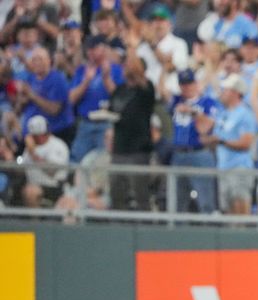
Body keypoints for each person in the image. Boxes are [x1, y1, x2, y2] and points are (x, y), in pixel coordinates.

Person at [201, 73, 257, 215]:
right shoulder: (223, 114)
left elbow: (246, 143)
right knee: (228, 213)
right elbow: (210, 132)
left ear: (235, 93)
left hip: (239, 168)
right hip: (223, 168)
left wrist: (220, 141)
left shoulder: (245, 114)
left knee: (241, 212)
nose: (222, 92)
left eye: (226, 90)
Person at [108, 55, 156, 211]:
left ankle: (145, 227)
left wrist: (136, 69)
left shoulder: (146, 88)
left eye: (129, 65)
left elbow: (146, 91)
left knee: (140, 192)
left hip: (138, 149)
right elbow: (111, 109)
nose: (125, 68)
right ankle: (117, 226)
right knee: (116, 190)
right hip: (119, 148)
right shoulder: (120, 89)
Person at [68, 35, 124, 163]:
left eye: (94, 48)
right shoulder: (81, 70)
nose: (90, 52)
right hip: (85, 122)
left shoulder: (116, 70)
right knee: (77, 161)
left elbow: (120, 98)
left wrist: (106, 78)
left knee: (103, 161)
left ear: (104, 49)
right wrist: (86, 81)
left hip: (107, 124)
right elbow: (71, 99)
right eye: (88, 49)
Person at [170, 69, 219, 213]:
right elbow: (162, 91)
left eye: (189, 83)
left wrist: (192, 112)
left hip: (199, 154)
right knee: (177, 201)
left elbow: (205, 128)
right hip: (179, 154)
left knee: (205, 200)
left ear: (196, 83)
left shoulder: (207, 102)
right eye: (183, 84)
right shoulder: (176, 100)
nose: (187, 87)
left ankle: (210, 232)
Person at [15, 46, 74, 146]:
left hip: (54, 135)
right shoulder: (29, 78)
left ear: (49, 61)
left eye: (40, 59)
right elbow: (18, 110)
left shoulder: (58, 79)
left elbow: (54, 110)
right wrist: (21, 100)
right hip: (30, 134)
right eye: (34, 59)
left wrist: (32, 95)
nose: (37, 63)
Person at [21, 115, 70, 208]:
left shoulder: (58, 145)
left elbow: (52, 171)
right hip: (32, 183)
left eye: (38, 136)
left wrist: (34, 156)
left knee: (31, 191)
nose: (34, 139)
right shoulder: (29, 149)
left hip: (53, 186)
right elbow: (21, 168)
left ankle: (35, 222)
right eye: (33, 136)